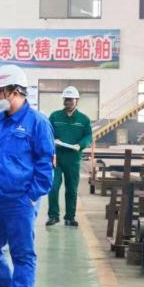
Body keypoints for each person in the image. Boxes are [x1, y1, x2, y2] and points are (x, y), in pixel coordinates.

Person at [0, 64, 55, 287]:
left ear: (15, 92)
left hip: (20, 201)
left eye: (0, 91)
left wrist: (31, 196)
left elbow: (45, 164)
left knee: (22, 253)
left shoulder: (37, 123)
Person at [47, 86, 92, 227]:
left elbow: (88, 136)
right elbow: (47, 133)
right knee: (53, 187)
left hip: (73, 159)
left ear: (77, 100)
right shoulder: (55, 116)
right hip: (57, 158)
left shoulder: (84, 119)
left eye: (71, 99)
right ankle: (53, 216)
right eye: (66, 99)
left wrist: (81, 144)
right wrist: (53, 140)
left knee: (71, 189)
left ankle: (70, 217)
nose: (68, 102)